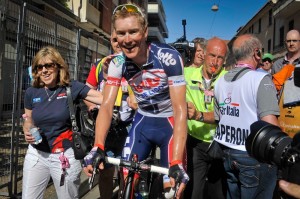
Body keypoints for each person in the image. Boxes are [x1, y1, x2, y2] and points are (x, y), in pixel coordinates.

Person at [83, 3, 189, 198]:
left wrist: (176, 162)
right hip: (143, 121)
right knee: (126, 178)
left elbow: (180, 109)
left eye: (133, 32)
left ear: (145, 31)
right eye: (121, 33)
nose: (127, 39)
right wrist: (97, 146)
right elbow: (106, 107)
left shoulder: (169, 58)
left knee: (172, 189)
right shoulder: (117, 63)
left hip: (170, 123)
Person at [22, 46, 103, 199]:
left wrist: (119, 85)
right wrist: (27, 129)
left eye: (49, 65)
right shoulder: (32, 92)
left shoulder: (71, 88)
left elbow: (103, 99)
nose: (44, 70)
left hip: (64, 156)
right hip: (36, 154)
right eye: (40, 67)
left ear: (58, 66)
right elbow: (28, 119)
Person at [213, 34, 279, 199]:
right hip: (252, 156)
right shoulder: (260, 78)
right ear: (256, 52)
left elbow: (218, 118)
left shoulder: (220, 81)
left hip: (227, 152)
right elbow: (271, 127)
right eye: (261, 52)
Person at [84, 30, 136, 199]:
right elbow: (87, 90)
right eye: (114, 39)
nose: (118, 42)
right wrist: (92, 107)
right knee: (105, 171)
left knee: (126, 172)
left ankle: (124, 195)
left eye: (120, 38)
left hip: (129, 125)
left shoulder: (136, 64)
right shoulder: (100, 64)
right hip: (107, 126)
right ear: (111, 41)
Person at [184, 37, 228, 199]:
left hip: (220, 144)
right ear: (203, 55)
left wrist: (198, 115)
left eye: (220, 57)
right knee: (193, 192)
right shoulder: (187, 73)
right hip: (195, 143)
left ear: (225, 60)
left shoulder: (228, 79)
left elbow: (225, 114)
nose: (215, 62)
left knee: (217, 194)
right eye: (212, 55)